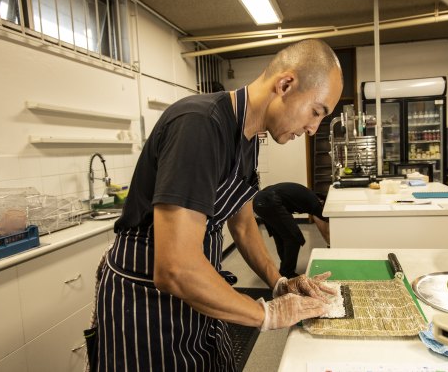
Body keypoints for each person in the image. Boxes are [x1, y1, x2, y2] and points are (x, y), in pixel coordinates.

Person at [88, 39, 343, 372]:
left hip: (200, 289)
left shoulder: (249, 136)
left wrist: (277, 282)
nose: (313, 128)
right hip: (146, 304)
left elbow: (243, 222)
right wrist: (268, 314)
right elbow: (175, 268)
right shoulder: (200, 125)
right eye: (316, 112)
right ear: (285, 84)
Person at [253, 182, 330, 279]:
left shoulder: (308, 194)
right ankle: (288, 273)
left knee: (282, 237)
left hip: (259, 201)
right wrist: (330, 244)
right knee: (294, 238)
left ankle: (284, 271)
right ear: (322, 202)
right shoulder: (315, 202)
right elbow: (325, 230)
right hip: (270, 201)